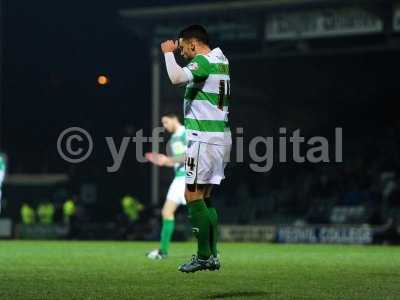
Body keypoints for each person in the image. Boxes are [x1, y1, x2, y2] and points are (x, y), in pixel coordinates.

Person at [161, 24, 232, 272]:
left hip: (203, 139)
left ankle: (203, 256)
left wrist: (167, 53)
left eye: (181, 47)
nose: (180, 52)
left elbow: (176, 78)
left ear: (193, 43)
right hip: (220, 136)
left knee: (191, 196)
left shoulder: (204, 61)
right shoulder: (221, 59)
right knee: (205, 197)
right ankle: (212, 255)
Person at [145, 112, 187, 259]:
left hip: (189, 179)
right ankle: (163, 252)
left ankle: (211, 251)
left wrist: (167, 160)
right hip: (179, 179)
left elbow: (192, 155)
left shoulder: (184, 133)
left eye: (166, 122)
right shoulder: (174, 138)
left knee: (199, 215)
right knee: (166, 213)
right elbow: (179, 160)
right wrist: (167, 162)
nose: (164, 126)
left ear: (174, 119)